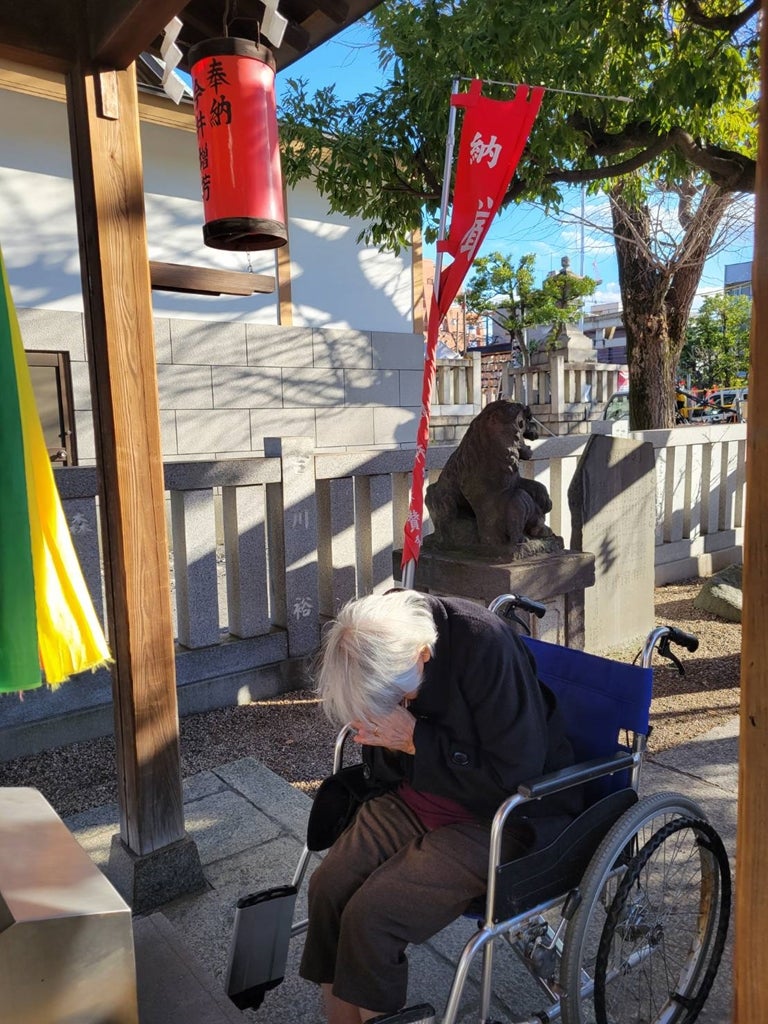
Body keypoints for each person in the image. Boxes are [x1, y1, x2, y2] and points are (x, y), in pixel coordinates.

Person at [299, 589, 582, 1024]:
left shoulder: (485, 646)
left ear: (423, 654)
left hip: (499, 816)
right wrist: (382, 735)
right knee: (328, 889)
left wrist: (416, 740)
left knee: (373, 918)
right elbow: (386, 765)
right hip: (418, 795)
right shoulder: (386, 626)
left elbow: (515, 777)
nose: (402, 706)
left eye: (402, 697)